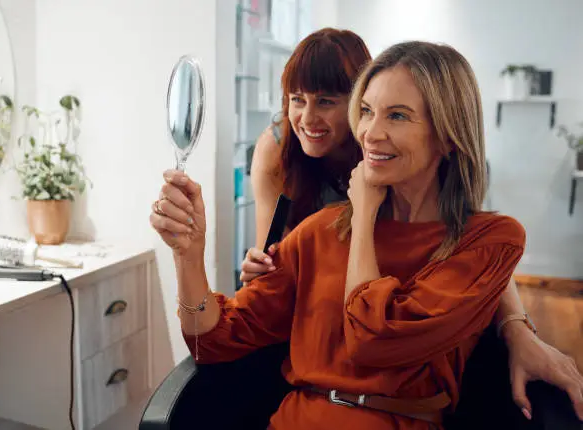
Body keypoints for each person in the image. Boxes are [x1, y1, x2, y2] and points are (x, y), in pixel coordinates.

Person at [150, 41, 565, 429]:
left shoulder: (491, 240)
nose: (370, 132)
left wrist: (363, 215)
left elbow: (373, 340)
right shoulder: (317, 232)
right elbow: (213, 341)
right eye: (366, 111)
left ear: (448, 135)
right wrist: (188, 254)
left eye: (397, 115)